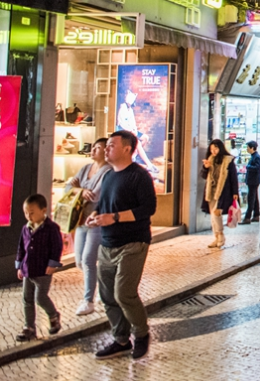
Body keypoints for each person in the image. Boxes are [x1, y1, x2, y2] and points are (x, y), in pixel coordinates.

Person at [87, 130, 157, 360]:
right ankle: (121, 339)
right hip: (107, 243)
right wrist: (96, 216)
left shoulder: (140, 176)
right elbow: (105, 206)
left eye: (111, 145)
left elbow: (147, 209)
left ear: (128, 149)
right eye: (106, 145)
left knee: (124, 293)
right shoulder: (108, 176)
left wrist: (114, 218)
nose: (106, 149)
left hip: (133, 243)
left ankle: (142, 334)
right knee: (107, 296)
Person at [65, 137, 111, 315]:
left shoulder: (107, 172)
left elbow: (96, 195)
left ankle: (88, 300)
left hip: (96, 220)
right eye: (92, 147)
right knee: (79, 261)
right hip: (80, 220)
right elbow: (67, 188)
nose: (93, 150)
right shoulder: (85, 168)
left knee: (88, 260)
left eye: (97, 148)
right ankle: (102, 289)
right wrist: (80, 190)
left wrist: (78, 188)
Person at [15, 194, 63, 342]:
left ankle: (53, 315)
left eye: (32, 212)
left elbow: (57, 247)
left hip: (43, 270)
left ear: (43, 210)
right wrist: (19, 265)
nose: (28, 216)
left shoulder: (51, 228)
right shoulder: (26, 228)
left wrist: (52, 264)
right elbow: (21, 248)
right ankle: (29, 328)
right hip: (28, 270)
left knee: (40, 297)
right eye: (26, 213)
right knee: (27, 299)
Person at [200, 139, 240, 249]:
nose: (213, 151)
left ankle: (221, 235)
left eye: (216, 149)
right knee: (213, 215)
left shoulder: (228, 161)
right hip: (210, 191)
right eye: (212, 149)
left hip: (223, 191)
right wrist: (205, 167)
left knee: (216, 213)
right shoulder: (210, 160)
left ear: (220, 148)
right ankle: (216, 237)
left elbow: (233, 177)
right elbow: (203, 176)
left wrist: (235, 192)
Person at [241, 141, 260, 225]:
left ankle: (247, 217)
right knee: (255, 198)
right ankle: (256, 215)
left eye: (248, 147)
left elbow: (257, 168)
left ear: (252, 148)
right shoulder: (254, 156)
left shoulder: (256, 157)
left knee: (251, 198)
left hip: (254, 181)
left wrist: (248, 167)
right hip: (253, 181)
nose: (247, 149)